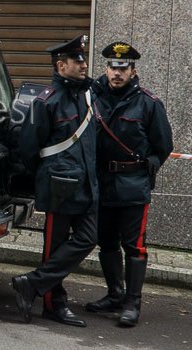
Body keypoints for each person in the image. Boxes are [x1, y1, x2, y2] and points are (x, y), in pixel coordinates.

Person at [11, 35, 99, 327]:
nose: (83, 64)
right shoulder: (47, 101)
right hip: (59, 185)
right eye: (77, 61)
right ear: (61, 65)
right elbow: (28, 148)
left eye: (83, 59)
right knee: (54, 247)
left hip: (85, 185)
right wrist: (48, 174)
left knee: (88, 238)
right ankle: (53, 303)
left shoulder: (86, 96)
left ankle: (32, 284)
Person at [86, 42, 173, 327]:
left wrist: (148, 169)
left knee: (134, 246)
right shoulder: (92, 98)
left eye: (123, 68)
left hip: (133, 186)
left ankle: (132, 303)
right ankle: (115, 294)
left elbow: (163, 146)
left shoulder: (149, 103)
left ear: (133, 71)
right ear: (106, 68)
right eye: (113, 67)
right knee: (106, 242)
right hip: (102, 182)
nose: (117, 73)